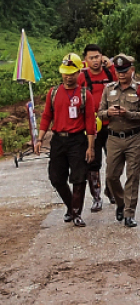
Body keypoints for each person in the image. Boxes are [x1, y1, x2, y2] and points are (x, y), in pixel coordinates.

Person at [34, 53, 97, 227]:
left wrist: (91, 147)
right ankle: (71, 205)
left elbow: (90, 122)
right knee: (56, 177)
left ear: (78, 73)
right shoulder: (53, 93)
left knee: (78, 178)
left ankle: (76, 213)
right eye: (65, 73)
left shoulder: (85, 95)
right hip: (58, 140)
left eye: (71, 73)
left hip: (77, 140)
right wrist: (39, 139)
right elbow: (47, 116)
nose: (68, 77)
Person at [98, 54, 140, 228]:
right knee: (111, 176)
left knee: (133, 176)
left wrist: (128, 114)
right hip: (113, 137)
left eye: (125, 71)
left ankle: (129, 213)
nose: (121, 74)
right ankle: (120, 202)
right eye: (118, 71)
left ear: (132, 71)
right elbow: (100, 112)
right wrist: (108, 113)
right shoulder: (109, 89)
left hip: (134, 137)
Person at [80, 43, 117, 212]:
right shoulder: (81, 77)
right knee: (93, 162)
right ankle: (96, 197)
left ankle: (111, 189)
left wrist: (113, 66)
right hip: (92, 126)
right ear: (85, 60)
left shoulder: (110, 72)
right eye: (91, 58)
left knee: (115, 160)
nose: (95, 61)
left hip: (111, 124)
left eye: (97, 57)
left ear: (102, 56)